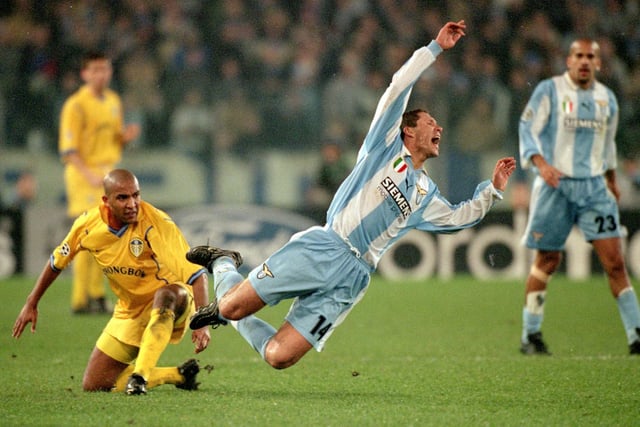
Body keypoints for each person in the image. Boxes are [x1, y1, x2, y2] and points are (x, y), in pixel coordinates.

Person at [188, 20, 517, 369]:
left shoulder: (425, 192)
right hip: (325, 247)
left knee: (278, 356)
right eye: (430, 122)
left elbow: (456, 218)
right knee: (232, 307)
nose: (439, 127)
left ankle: (226, 307)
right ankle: (223, 263)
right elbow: (397, 87)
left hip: (354, 277)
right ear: (408, 130)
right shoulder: (384, 147)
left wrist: (492, 190)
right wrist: (434, 49)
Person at [12, 169, 211, 395]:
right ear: (106, 201)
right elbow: (56, 261)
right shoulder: (88, 225)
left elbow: (197, 275)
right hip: (130, 309)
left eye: (136, 195)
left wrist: (202, 323)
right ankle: (178, 375)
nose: (132, 203)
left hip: (174, 300)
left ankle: (140, 377)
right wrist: (32, 302)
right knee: (95, 384)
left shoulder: (156, 222)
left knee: (167, 294)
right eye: (123, 197)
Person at [518, 39, 640, 355]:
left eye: (591, 57)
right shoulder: (549, 90)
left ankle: (636, 335)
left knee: (614, 262)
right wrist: (540, 164)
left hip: (594, 188)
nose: (584, 61)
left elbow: (607, 144)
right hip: (554, 185)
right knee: (548, 259)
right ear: (568, 60)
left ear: (598, 63)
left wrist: (611, 180)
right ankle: (530, 335)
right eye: (578, 56)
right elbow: (527, 126)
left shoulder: (607, 99)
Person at [59, 50, 141, 314]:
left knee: (105, 236)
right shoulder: (76, 105)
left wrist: (125, 137)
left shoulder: (114, 101)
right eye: (95, 70)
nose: (100, 74)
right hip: (86, 176)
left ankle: (95, 296)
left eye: (104, 69)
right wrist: (89, 175)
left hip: (108, 176)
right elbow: (69, 150)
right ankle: (80, 300)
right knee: (85, 236)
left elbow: (113, 139)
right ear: (84, 74)